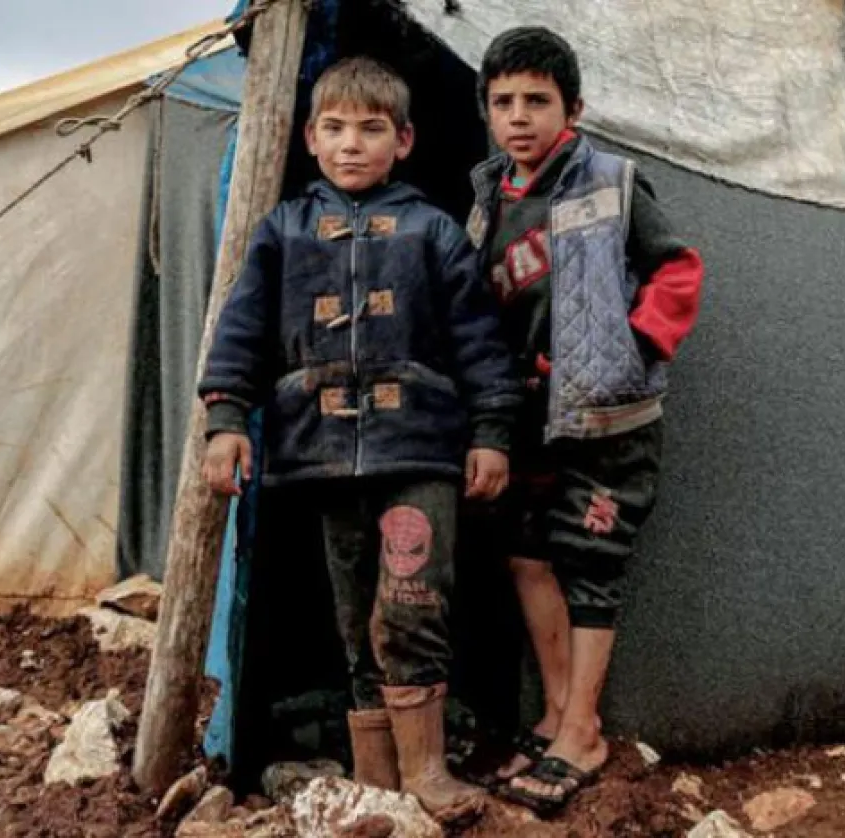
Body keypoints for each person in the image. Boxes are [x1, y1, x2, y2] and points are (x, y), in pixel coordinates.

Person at [198, 56, 520, 821]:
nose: (352, 144)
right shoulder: (282, 231)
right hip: (323, 455)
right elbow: (241, 331)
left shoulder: (432, 233)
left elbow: (479, 340)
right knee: (355, 620)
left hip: (418, 453)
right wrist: (224, 421)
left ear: (404, 140)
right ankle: (377, 783)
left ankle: (427, 775)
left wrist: (494, 432)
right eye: (336, 127)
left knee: (412, 604)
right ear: (308, 137)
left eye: (372, 128)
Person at [466, 27, 704, 815]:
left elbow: (677, 269)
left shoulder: (611, 179)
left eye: (537, 100)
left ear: (574, 106)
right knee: (529, 558)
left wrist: (632, 349)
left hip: (608, 418)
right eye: (503, 102)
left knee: (590, 559)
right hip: (528, 418)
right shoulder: (486, 197)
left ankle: (582, 736)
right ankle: (565, 718)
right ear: (487, 112)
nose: (519, 116)